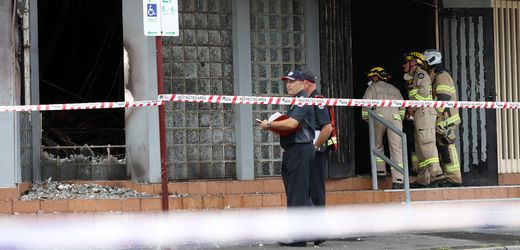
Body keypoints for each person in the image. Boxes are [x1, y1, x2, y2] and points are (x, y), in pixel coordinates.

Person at [258, 70, 315, 247]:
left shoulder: (302, 101)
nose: (288, 85)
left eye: (291, 81)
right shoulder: (295, 102)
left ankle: (297, 237)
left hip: (299, 150)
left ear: (302, 83)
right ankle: (320, 228)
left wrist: (270, 124)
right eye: (286, 82)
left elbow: (292, 124)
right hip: (294, 151)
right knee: (298, 193)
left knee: (297, 194)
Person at [402, 52, 445, 187]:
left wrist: (412, 107)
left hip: (424, 113)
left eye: (407, 62)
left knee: (427, 141)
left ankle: (436, 173)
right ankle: (424, 178)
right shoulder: (414, 77)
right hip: (420, 114)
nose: (404, 65)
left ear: (414, 63)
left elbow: (423, 94)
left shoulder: (421, 75)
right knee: (420, 145)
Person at [361, 67, 406, 189]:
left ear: (376, 76)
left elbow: (365, 105)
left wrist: (367, 119)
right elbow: (403, 106)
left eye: (372, 77)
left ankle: (380, 172)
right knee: (396, 147)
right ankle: (398, 179)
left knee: (377, 145)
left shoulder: (372, 88)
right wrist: (399, 118)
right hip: (395, 118)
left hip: (378, 117)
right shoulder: (395, 89)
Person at [424, 49, 462, 187]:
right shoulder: (436, 76)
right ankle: (449, 177)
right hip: (442, 120)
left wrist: (432, 115)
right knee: (443, 149)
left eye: (425, 62)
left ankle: (454, 179)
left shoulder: (442, 76)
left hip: (446, 120)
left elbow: (443, 101)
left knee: (447, 148)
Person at [301, 70, 333, 207]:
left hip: (315, 151)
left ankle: (319, 223)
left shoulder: (317, 99)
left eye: (297, 82)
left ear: (306, 83)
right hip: (305, 150)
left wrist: (314, 147)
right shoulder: (306, 100)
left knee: (316, 189)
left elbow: (327, 128)